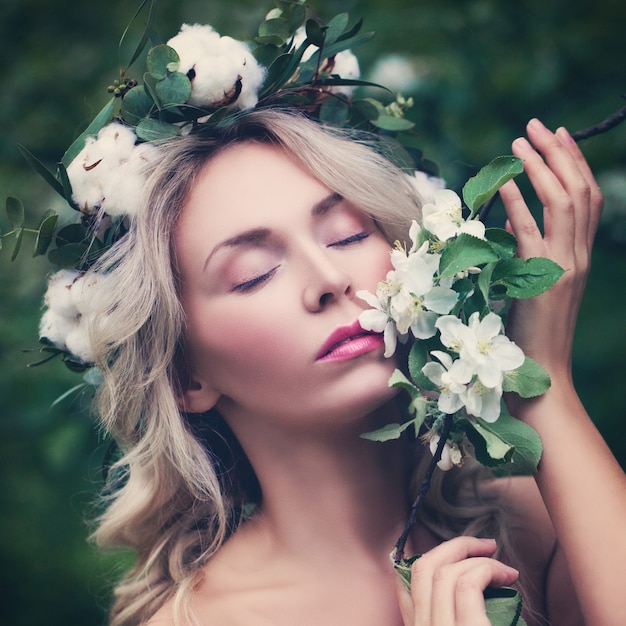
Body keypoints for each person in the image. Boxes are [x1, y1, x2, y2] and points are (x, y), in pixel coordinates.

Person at [72, 102, 625, 626]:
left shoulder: (538, 520)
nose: (329, 279)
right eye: (254, 273)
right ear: (185, 376)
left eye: (347, 234)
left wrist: (540, 383)